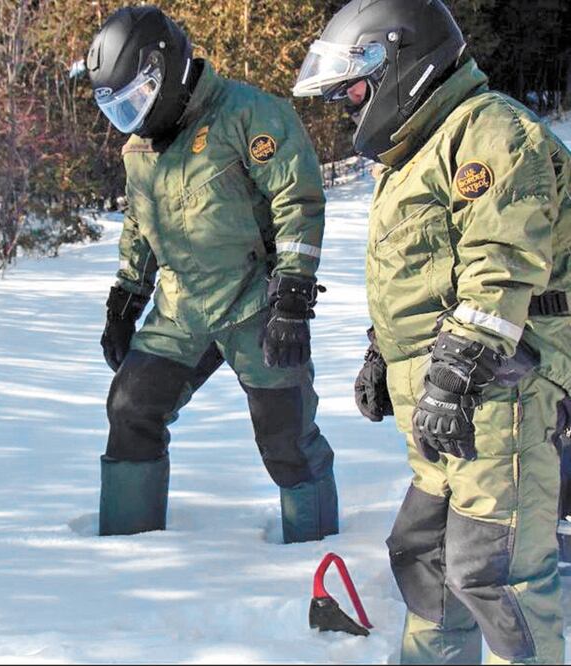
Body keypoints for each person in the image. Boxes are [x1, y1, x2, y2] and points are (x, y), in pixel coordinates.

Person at [294, 0, 571, 662]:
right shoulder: (416, 151)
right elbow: (422, 279)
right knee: (425, 555)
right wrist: (382, 353)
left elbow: (498, 267)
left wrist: (453, 373)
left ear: (402, 65)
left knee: (494, 571)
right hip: (449, 399)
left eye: (352, 91)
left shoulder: (490, 134)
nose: (347, 108)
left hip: (500, 388)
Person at [86, 5, 338, 543]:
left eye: (136, 101)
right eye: (119, 109)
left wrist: (293, 296)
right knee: (131, 408)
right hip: (182, 309)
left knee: (285, 437)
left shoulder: (248, 115)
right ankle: (125, 552)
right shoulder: (140, 148)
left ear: (166, 72)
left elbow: (297, 200)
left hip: (256, 304)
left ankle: (313, 547)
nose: (132, 120)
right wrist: (125, 299)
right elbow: (139, 224)